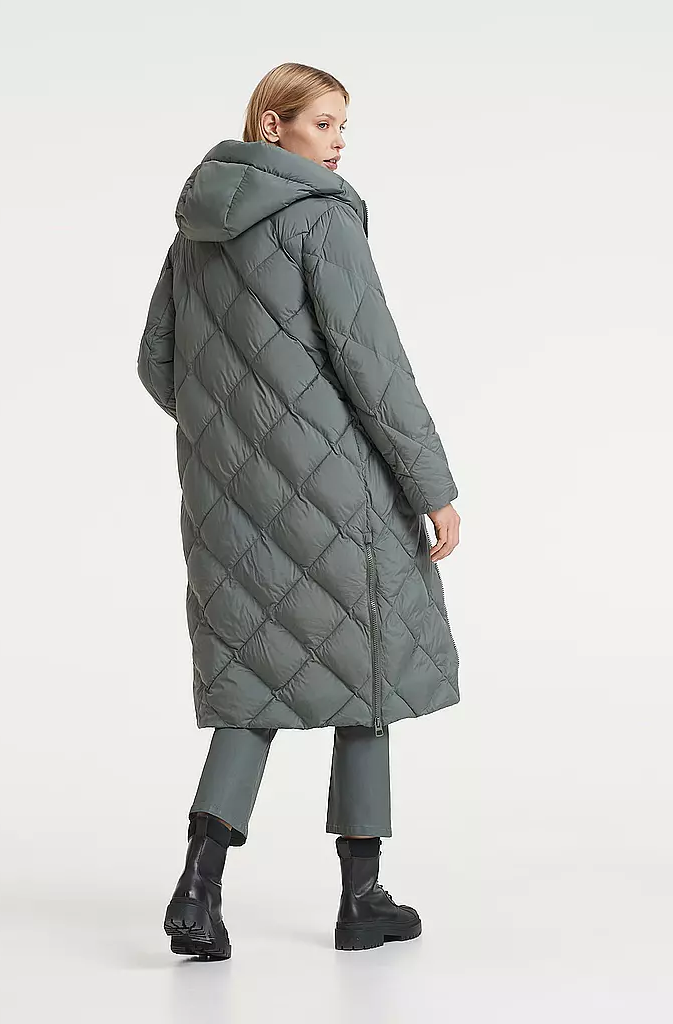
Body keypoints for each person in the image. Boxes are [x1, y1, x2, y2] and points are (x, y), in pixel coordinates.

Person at [136, 62, 461, 959]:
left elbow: (159, 362)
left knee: (252, 685)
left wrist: (235, 437)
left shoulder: (194, 229)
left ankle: (198, 891)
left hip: (229, 499)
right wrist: (432, 486)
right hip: (340, 493)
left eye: (344, 127)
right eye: (324, 124)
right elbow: (374, 365)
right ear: (273, 127)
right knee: (367, 674)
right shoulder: (322, 216)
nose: (339, 142)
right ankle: (362, 898)